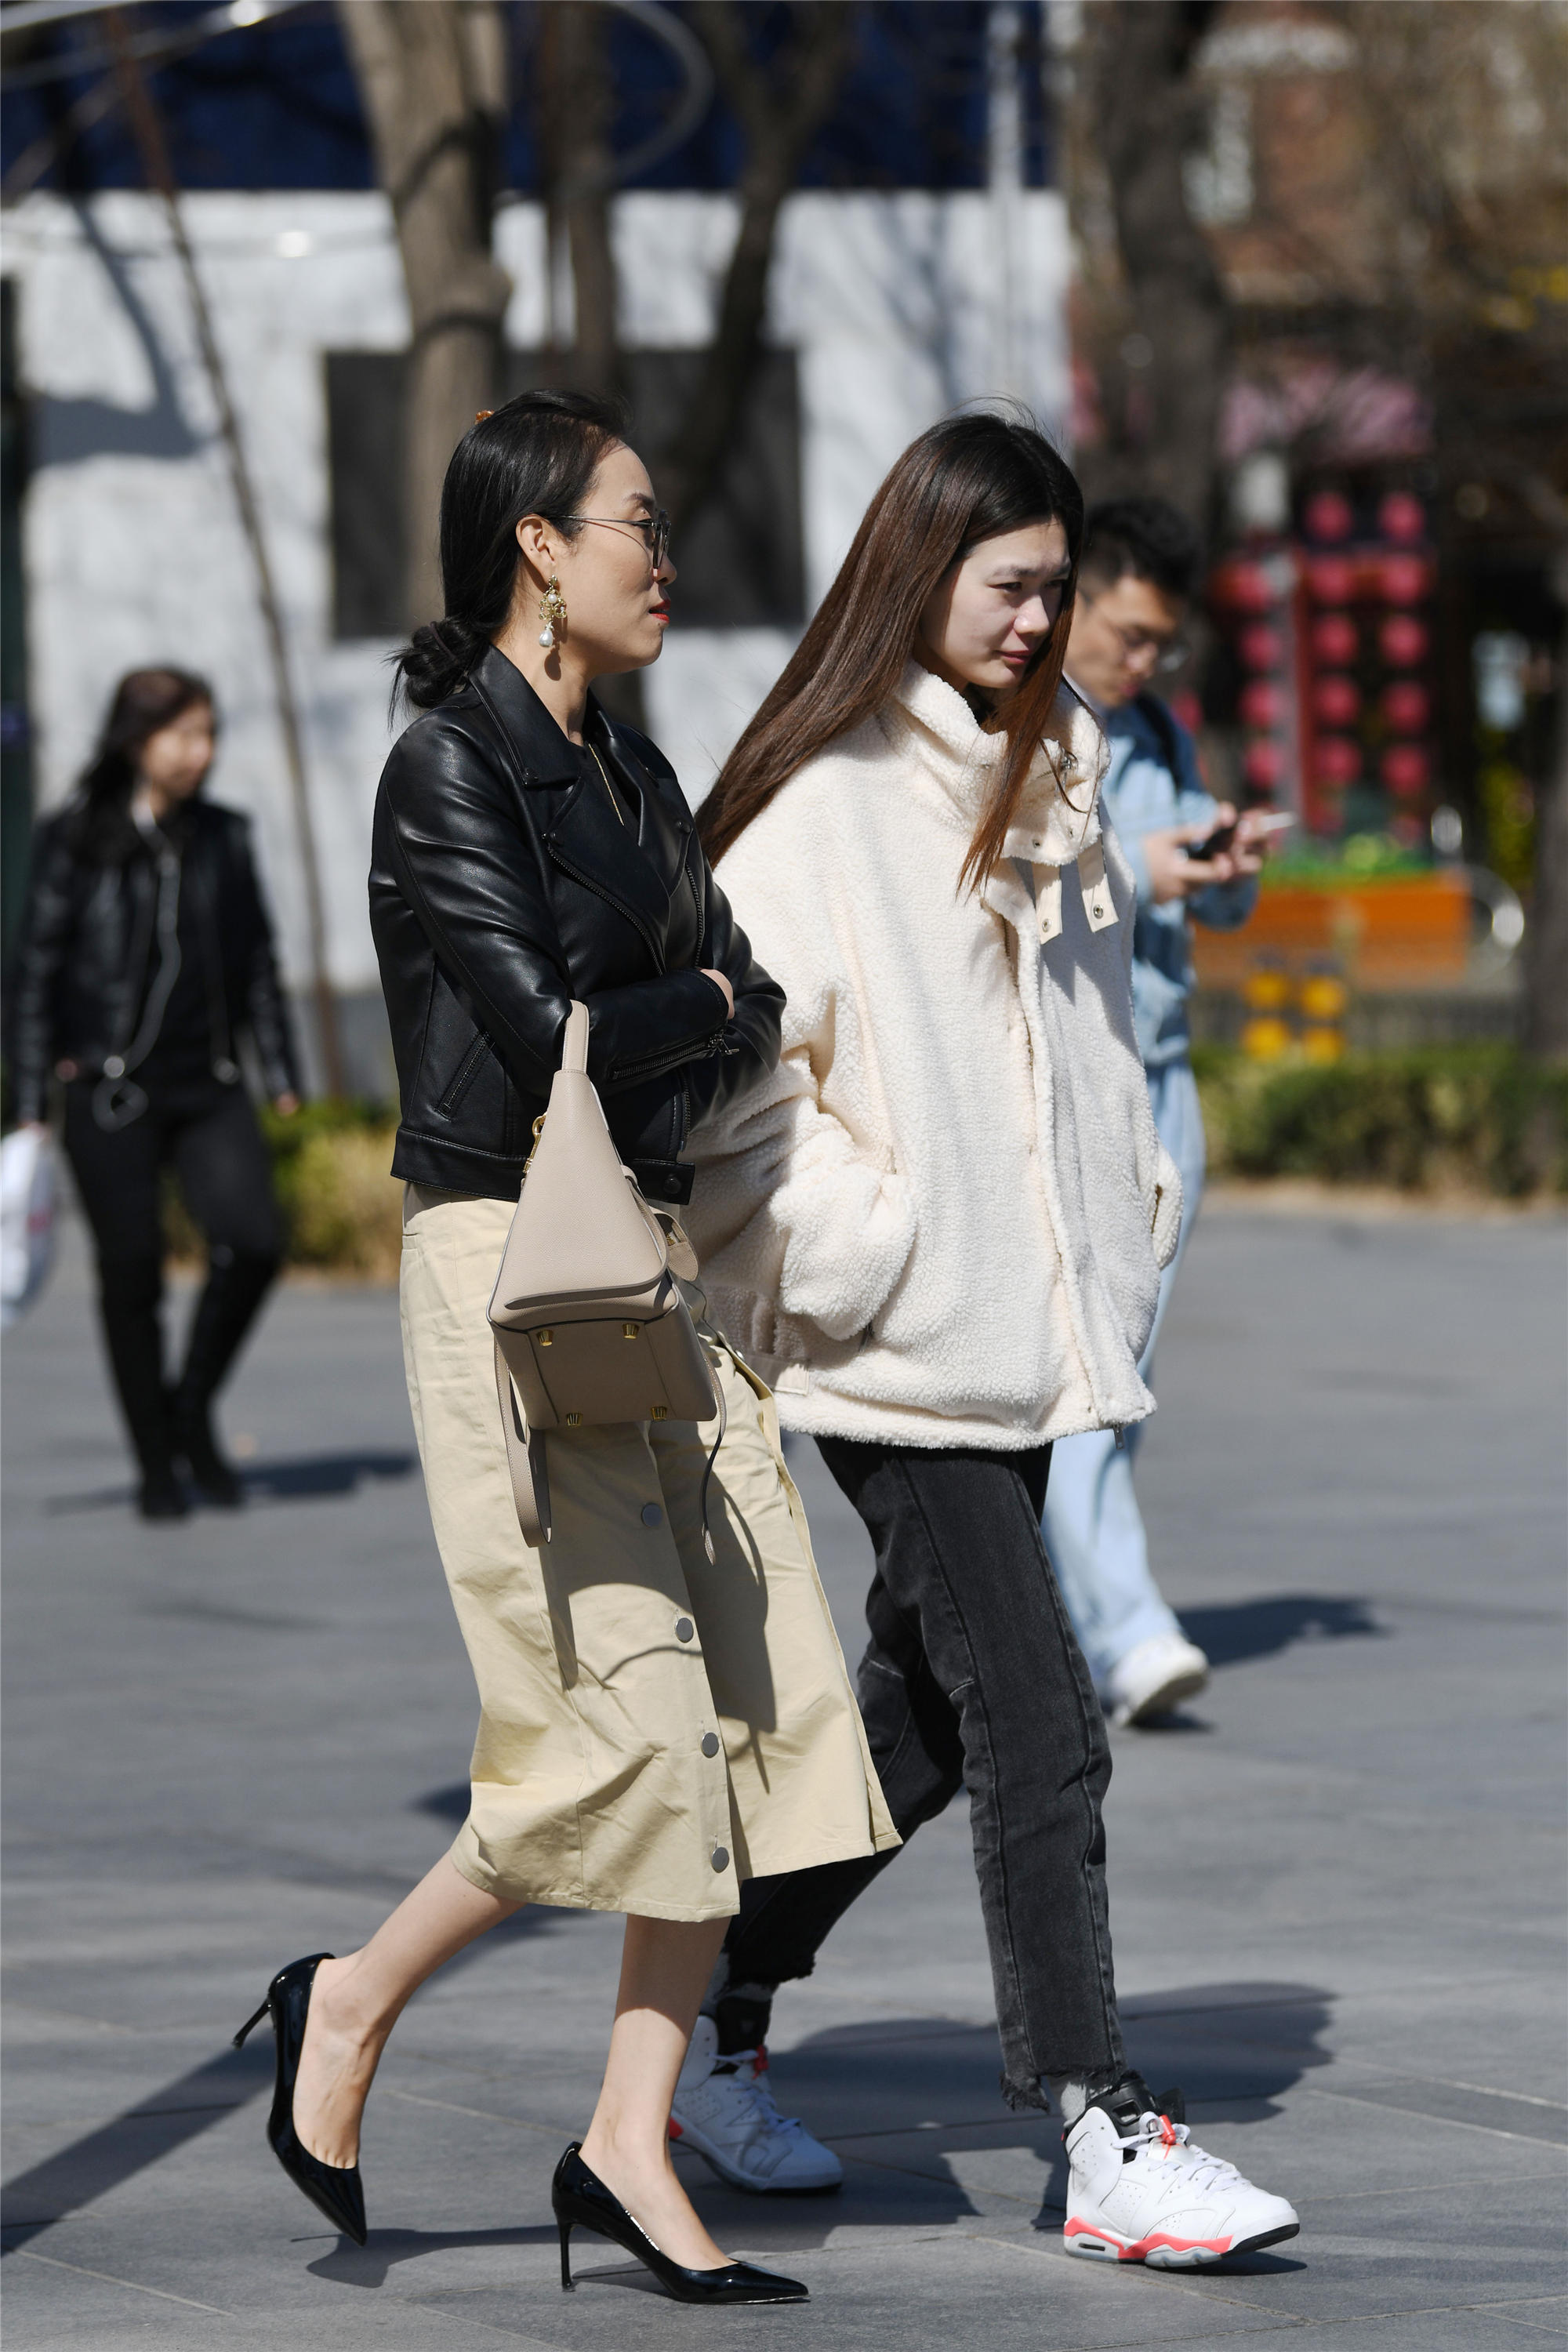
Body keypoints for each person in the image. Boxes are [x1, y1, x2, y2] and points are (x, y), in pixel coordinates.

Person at [234, 390, 896, 2308]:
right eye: (635, 519)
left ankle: (624, 2135)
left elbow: (741, 1002)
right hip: (513, 1275)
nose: (661, 551)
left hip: (659, 1269)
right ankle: (347, 1999)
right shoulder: (450, 766)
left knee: (762, 1711)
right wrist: (683, 996)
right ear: (537, 541)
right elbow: (548, 1035)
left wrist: (680, 999)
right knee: (607, 1727)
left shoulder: (634, 774)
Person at [678, 413, 1298, 2269]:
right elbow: (733, 1098)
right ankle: (1099, 2128)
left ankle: (701, 2006)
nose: (1037, 622)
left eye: (1053, 587)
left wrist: (1118, 1206)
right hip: (897, 1343)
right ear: (919, 567)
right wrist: (857, 1241)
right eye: (1011, 587)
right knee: (1039, 1712)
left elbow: (1074, 1040)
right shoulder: (820, 801)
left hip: (1023, 1327)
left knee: (926, 1718)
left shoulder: (1061, 764)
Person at [1042, 498, 1275, 1726]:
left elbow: (1200, 912)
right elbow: (1022, 881)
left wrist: (1223, 866)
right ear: (1073, 599)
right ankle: (1127, 1630)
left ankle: (1058, 1621)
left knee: (1122, 1370)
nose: (1143, 662)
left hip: (1165, 1079)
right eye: (1128, 634)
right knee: (1084, 1367)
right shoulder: (1023, 723)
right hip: (1077, 1080)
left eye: (1160, 645)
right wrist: (1145, 863)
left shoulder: (1161, 731)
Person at [7, 669, 301, 1519]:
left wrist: (279, 1073)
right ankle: (155, 1463)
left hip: (207, 1083)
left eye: (208, 734)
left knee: (254, 1241)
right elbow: (33, 973)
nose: (201, 752)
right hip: (107, 1092)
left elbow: (257, 965)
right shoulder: (76, 839)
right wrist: (31, 1095)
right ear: (139, 742)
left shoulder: (225, 838)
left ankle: (190, 1405)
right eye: (184, 735)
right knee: (129, 1272)